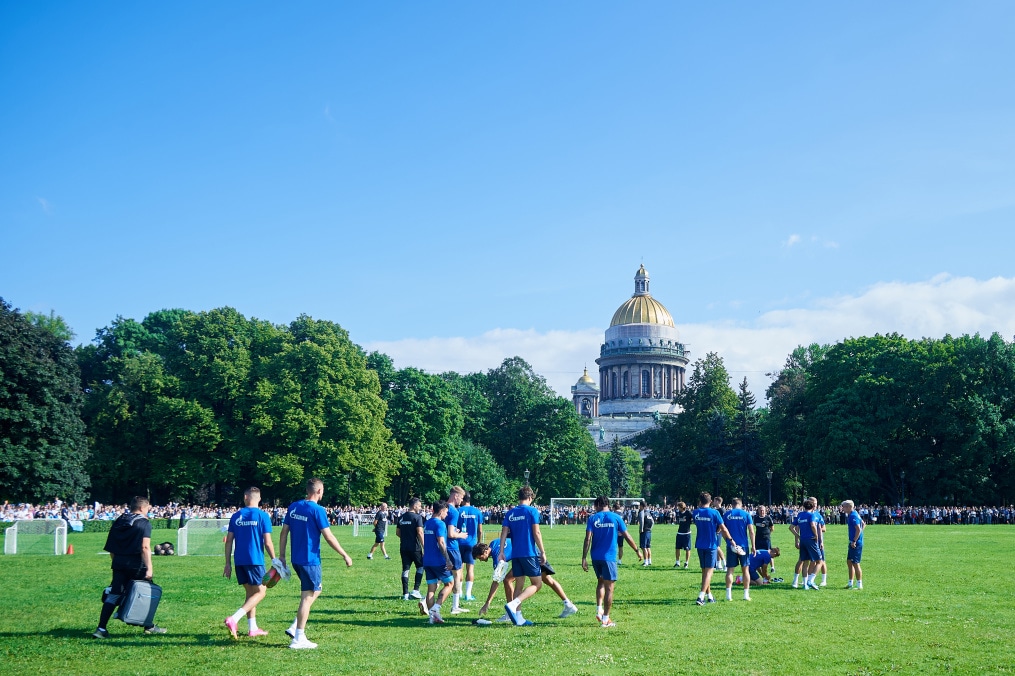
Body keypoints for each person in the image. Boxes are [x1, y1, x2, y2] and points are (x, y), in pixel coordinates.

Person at [278, 478, 354, 649]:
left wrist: (282, 556)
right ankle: (298, 636)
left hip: (296, 559)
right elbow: (329, 537)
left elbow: (284, 533)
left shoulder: (294, 506)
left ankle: (295, 626)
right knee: (308, 596)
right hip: (309, 559)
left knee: (314, 591)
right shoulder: (317, 510)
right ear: (319, 491)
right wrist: (345, 555)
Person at [92, 496, 166, 638]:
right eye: (148, 507)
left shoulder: (120, 520)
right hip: (137, 564)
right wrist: (149, 568)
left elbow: (111, 546)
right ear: (142, 508)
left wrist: (117, 561)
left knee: (114, 594)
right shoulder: (144, 523)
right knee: (147, 594)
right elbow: (145, 547)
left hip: (119, 562)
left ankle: (101, 629)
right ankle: (148, 626)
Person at [474, 539, 578, 622]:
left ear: (486, 551)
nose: (481, 560)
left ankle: (511, 612)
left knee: (509, 580)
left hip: (529, 555)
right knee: (547, 580)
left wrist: (487, 603)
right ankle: (568, 604)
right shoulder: (493, 543)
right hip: (528, 552)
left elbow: (496, 581)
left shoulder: (497, 557)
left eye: (480, 557)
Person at [223, 487, 276, 639]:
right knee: (261, 592)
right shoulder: (262, 516)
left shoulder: (236, 516)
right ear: (259, 499)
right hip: (255, 560)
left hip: (239, 560)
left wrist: (227, 563)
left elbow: (228, 541)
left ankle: (253, 628)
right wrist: (275, 560)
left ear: (245, 497)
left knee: (250, 593)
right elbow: (267, 542)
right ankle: (234, 618)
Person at [582, 495, 642, 627]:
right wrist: (637, 550)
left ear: (598, 504)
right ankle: (605, 619)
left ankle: (599, 610)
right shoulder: (616, 517)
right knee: (610, 588)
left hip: (595, 557)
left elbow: (587, 539)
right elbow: (627, 536)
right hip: (609, 558)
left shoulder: (593, 518)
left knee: (600, 582)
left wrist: (584, 558)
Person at [498, 486, 546, 626]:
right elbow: (536, 533)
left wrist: (501, 551)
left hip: (516, 553)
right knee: (537, 584)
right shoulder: (532, 511)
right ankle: (514, 604)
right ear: (530, 498)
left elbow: (503, 533)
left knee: (519, 584)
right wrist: (542, 551)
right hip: (529, 552)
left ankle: (518, 618)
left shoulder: (511, 513)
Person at [693, 491, 740, 606]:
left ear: (700, 501)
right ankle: (701, 596)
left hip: (700, 544)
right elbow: (723, 528)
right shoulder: (714, 513)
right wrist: (730, 540)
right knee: (709, 572)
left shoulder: (695, 512)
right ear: (710, 501)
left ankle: (710, 596)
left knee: (705, 572)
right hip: (711, 545)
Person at [421, 500, 455, 624]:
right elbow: (441, 542)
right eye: (446, 512)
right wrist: (447, 559)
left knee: (431, 589)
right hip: (438, 561)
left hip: (427, 560)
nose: (446, 515)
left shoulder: (427, 523)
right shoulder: (440, 524)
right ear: (441, 511)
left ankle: (432, 618)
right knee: (450, 584)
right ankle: (436, 608)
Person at [723, 498, 755, 602]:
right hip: (743, 545)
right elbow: (751, 531)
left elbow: (723, 530)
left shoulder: (727, 514)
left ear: (732, 505)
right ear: (741, 504)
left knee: (730, 570)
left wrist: (728, 541)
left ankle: (728, 595)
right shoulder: (746, 514)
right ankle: (746, 594)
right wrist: (753, 546)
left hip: (731, 545)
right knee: (745, 570)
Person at [395, 497, 425, 600]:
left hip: (403, 547)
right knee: (420, 567)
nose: (420, 508)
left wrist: (406, 537)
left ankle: (405, 594)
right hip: (415, 547)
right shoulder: (417, 517)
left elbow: (397, 533)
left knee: (405, 569)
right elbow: (420, 532)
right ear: (414, 505)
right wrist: (425, 547)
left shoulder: (402, 517)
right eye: (419, 506)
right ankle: (416, 590)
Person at [457, 492, 484, 601]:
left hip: (459, 542)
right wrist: (478, 543)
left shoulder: (458, 511)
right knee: (470, 569)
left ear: (462, 499)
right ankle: (468, 594)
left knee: (459, 569)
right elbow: (480, 530)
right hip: (471, 543)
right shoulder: (477, 511)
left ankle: (458, 593)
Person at [793, 498, 821, 590]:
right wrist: (816, 536)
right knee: (819, 561)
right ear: (812, 506)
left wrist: (798, 536)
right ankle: (811, 580)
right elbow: (813, 525)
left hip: (803, 541)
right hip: (810, 540)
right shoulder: (811, 515)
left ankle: (805, 584)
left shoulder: (800, 515)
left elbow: (791, 527)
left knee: (805, 562)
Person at [842, 500, 865, 589]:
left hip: (855, 543)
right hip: (853, 542)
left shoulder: (853, 516)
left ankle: (859, 585)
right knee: (849, 561)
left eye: (843, 507)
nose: (842, 509)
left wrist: (855, 540)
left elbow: (858, 529)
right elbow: (863, 524)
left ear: (848, 507)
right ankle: (850, 583)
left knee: (855, 563)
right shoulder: (854, 514)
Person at [754, 505, 776, 572]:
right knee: (758, 552)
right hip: (758, 538)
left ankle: (772, 567)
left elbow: (772, 528)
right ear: (758, 511)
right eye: (760, 510)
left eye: (763, 510)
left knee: (769, 552)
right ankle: (758, 566)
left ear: (765, 511)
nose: (762, 512)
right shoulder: (756, 518)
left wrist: (768, 534)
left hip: (766, 539)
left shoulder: (768, 518)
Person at [673, 501, 693, 568]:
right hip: (679, 533)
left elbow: (693, 519)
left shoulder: (688, 513)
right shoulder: (678, 513)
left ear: (681, 507)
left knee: (687, 549)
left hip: (687, 533)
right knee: (677, 548)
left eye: (678, 506)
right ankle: (677, 562)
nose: (677, 508)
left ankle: (686, 563)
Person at [637, 500, 654, 566]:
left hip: (644, 531)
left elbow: (642, 521)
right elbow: (653, 522)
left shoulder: (642, 512)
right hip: (649, 531)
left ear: (641, 506)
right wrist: (650, 528)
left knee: (643, 547)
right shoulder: (648, 513)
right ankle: (649, 561)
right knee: (648, 547)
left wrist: (641, 529)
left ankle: (645, 561)